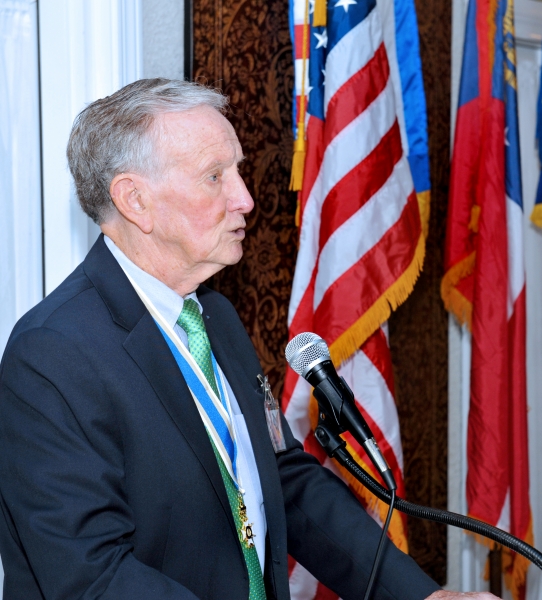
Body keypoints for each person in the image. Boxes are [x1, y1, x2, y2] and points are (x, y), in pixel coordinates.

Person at [0, 79, 498, 600]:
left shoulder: (214, 316)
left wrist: (422, 596)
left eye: (237, 171)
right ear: (134, 200)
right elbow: (93, 577)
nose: (245, 198)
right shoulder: (52, 354)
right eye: (214, 176)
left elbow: (282, 480)